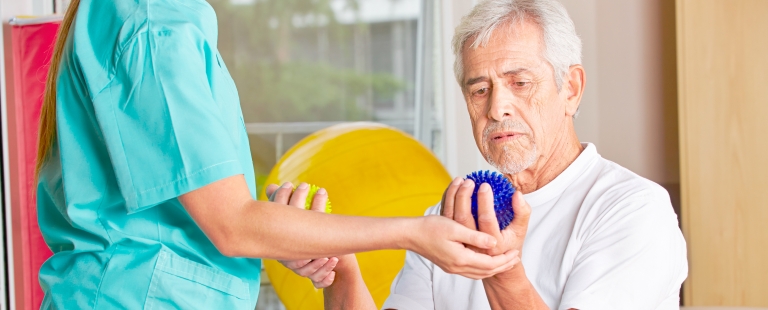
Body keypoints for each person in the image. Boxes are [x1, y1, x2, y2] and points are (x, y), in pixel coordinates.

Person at [34, 0, 521, 308]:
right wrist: (415, 233)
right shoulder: (155, 27)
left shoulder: (164, 20)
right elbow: (232, 226)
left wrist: (305, 241)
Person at [294, 0, 688, 309]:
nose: (497, 108)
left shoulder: (634, 208)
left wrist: (499, 267)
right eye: (479, 90)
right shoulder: (444, 216)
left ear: (570, 89)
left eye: (519, 82)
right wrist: (340, 268)